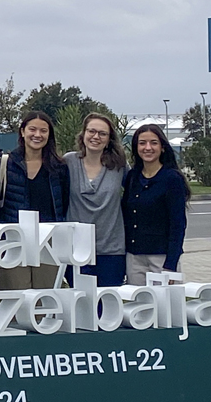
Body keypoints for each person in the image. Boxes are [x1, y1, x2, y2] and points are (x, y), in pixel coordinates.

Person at [0, 110, 70, 289]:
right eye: (32, 129)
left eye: (43, 131)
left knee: (47, 300)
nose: (37, 135)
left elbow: (65, 203)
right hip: (13, 239)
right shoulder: (5, 164)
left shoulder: (59, 167)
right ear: (22, 131)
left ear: (49, 135)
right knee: (16, 300)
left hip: (48, 241)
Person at [64, 113, 127, 287]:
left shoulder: (119, 166)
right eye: (91, 131)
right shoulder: (69, 162)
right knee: (81, 305)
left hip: (111, 250)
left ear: (109, 139)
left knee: (107, 308)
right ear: (83, 134)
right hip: (76, 249)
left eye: (102, 133)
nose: (96, 137)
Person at [122, 124, 189, 285]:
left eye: (153, 142)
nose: (148, 148)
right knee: (138, 307)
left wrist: (171, 265)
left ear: (162, 147)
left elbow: (178, 224)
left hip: (161, 258)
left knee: (165, 308)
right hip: (134, 257)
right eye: (142, 143)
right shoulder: (132, 177)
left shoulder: (172, 179)